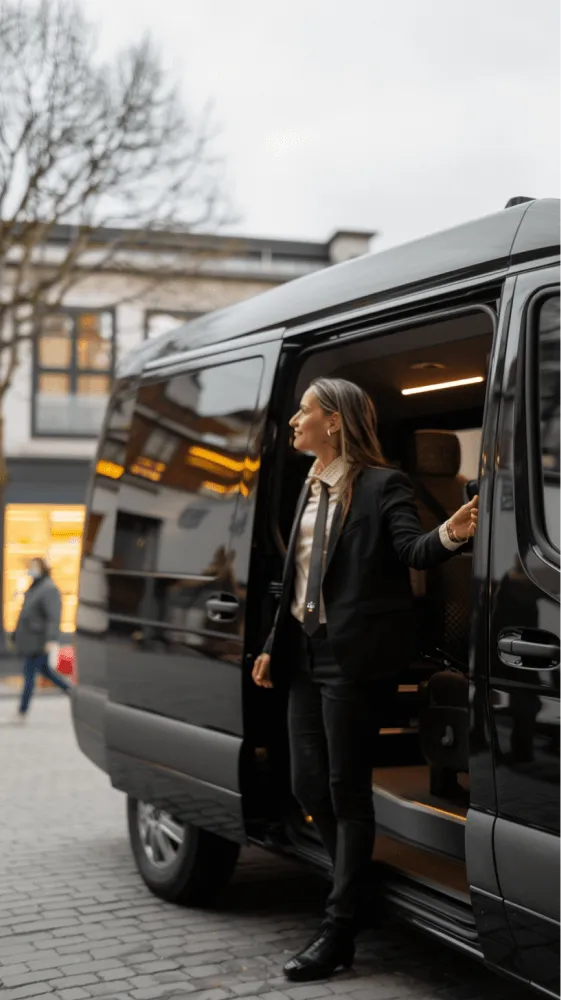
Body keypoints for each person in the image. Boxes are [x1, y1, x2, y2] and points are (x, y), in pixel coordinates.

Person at [252, 378, 478, 982]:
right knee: (306, 787)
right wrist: (276, 646)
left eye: (303, 412)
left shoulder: (384, 484)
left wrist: (452, 533)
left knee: (345, 788)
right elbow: (298, 578)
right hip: (305, 655)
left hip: (356, 661)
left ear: (333, 422)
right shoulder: (309, 486)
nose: (293, 422)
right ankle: (359, 888)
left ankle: (340, 925)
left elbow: (412, 551)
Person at [11, 557, 71, 722]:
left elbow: (53, 617)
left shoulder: (49, 588)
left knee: (29, 673)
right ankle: (73, 692)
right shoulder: (35, 587)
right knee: (46, 671)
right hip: (31, 638)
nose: (31, 570)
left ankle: (22, 711)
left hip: (39, 640)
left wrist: (51, 639)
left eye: (34, 567)